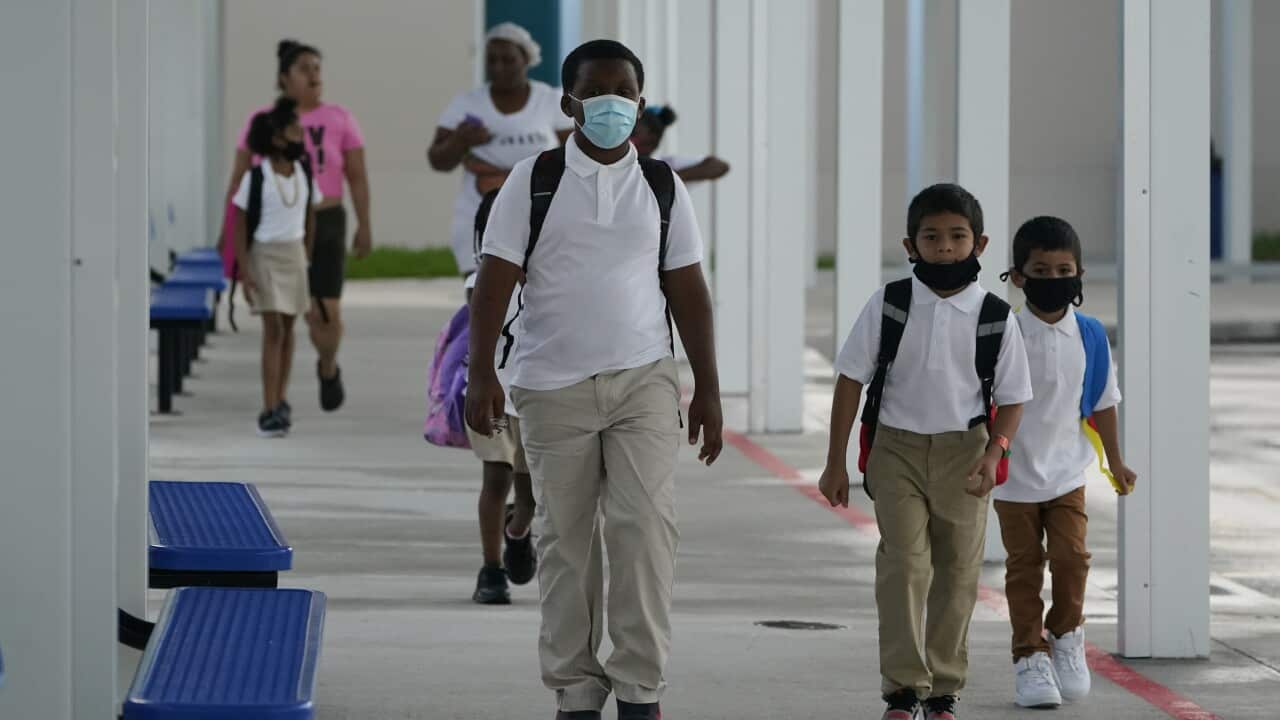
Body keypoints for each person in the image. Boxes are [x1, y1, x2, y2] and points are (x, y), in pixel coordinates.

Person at [466, 40, 723, 720]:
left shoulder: (662, 184)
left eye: (624, 92)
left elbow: (688, 289)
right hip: (551, 386)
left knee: (644, 531)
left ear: (639, 102)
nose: (611, 104)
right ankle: (575, 692)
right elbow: (494, 283)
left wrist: (710, 389)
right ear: (570, 102)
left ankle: (640, 690)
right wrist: (480, 374)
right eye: (596, 92)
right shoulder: (535, 178)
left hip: (644, 380)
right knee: (565, 541)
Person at [818, 183, 1033, 720]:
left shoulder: (993, 316)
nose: (944, 247)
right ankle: (903, 688)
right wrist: (834, 461)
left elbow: (1012, 399)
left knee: (959, 571)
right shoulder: (889, 304)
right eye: (931, 237)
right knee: (904, 567)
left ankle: (943, 688)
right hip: (897, 451)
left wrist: (994, 453)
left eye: (957, 237)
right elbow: (850, 380)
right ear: (910, 245)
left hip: (967, 453)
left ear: (979, 244)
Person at [995, 216, 1138, 709]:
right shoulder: (1005, 333)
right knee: (1025, 567)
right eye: (1041, 269)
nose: (1054, 279)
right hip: (1012, 480)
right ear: (1018, 276)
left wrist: (1116, 461)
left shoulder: (1091, 335)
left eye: (1064, 270)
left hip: (1066, 474)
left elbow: (1103, 401)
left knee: (1072, 559)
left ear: (1079, 274)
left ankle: (1066, 635)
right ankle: (1028, 657)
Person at [224, 39, 371, 414]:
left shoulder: (339, 118)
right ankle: (276, 401)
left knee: (326, 313)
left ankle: (327, 364)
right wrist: (228, 240)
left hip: (326, 218)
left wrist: (364, 224)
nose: (314, 75)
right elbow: (239, 177)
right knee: (280, 320)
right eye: (305, 68)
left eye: (318, 67)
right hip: (274, 226)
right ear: (284, 77)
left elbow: (357, 175)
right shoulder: (265, 121)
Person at [428, 22, 574, 277]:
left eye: (508, 60)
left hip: (539, 212)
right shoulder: (468, 103)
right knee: (480, 292)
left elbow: (575, 153)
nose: (498, 67)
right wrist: (460, 140)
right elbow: (437, 160)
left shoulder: (549, 100)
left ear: (526, 59)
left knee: (535, 293)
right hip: (479, 211)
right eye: (492, 60)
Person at [231, 97, 322, 437]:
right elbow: (239, 224)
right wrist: (244, 268)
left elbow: (311, 215)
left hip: (294, 255)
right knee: (274, 330)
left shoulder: (302, 172)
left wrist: (307, 256)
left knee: (289, 329)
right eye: (294, 129)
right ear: (277, 139)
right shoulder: (256, 177)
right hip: (265, 256)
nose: (301, 134)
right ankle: (268, 407)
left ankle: (281, 399)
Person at [464, 192, 536, 606]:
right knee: (495, 478)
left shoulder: (546, 274)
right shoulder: (479, 281)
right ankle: (491, 570)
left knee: (530, 495)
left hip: (534, 393)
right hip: (494, 391)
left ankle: (518, 529)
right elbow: (480, 329)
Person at [630, 104, 730, 183]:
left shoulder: (665, 165)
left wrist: (668, 180)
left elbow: (720, 166)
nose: (627, 136)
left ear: (652, 138)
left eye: (633, 132)